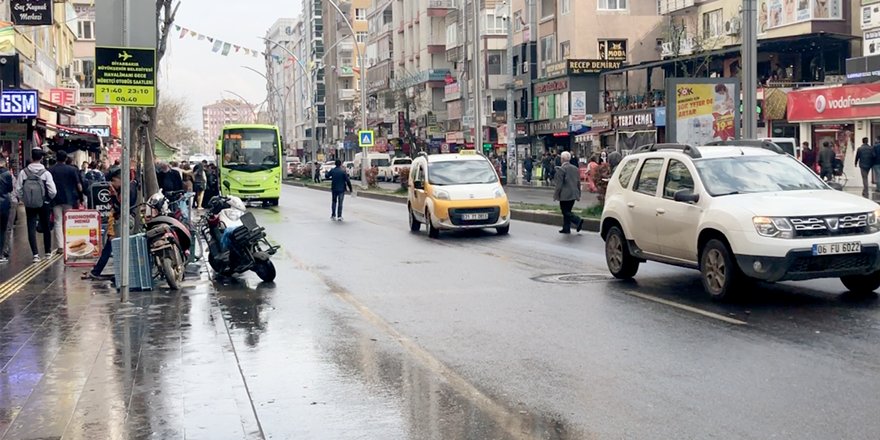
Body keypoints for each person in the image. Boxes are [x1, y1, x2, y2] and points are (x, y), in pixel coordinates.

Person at [85, 167, 137, 281]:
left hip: (122, 220)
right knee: (110, 247)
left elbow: (121, 208)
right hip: (119, 220)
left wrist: (113, 195)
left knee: (114, 246)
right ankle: (98, 271)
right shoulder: (127, 187)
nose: (112, 184)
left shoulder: (127, 189)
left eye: (113, 181)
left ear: (119, 179)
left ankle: (116, 274)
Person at [16, 148, 57, 262]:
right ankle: (48, 252)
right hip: (44, 203)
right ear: (41, 158)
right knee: (46, 226)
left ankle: (35, 254)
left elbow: (18, 189)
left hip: (29, 204)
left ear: (31, 157)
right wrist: (48, 199)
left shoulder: (23, 172)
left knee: (31, 226)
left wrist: (25, 199)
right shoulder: (46, 173)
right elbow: (53, 191)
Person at [49, 150, 83, 254]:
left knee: (57, 222)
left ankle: (60, 246)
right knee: (69, 221)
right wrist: (81, 197)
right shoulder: (72, 170)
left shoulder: (50, 170)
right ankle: (70, 242)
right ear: (65, 159)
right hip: (69, 199)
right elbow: (79, 186)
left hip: (55, 199)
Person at [553, 151, 584, 234]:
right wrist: (579, 193)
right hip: (574, 193)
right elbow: (578, 182)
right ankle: (566, 228)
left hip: (564, 194)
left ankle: (577, 220)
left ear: (562, 159)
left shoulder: (562, 169)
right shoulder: (575, 168)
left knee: (565, 211)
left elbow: (559, 184)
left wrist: (556, 195)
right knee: (568, 210)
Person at [0, 158, 13, 263]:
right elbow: (10, 189)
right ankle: (0, 255)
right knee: (2, 230)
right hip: (4, 204)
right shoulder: (7, 174)